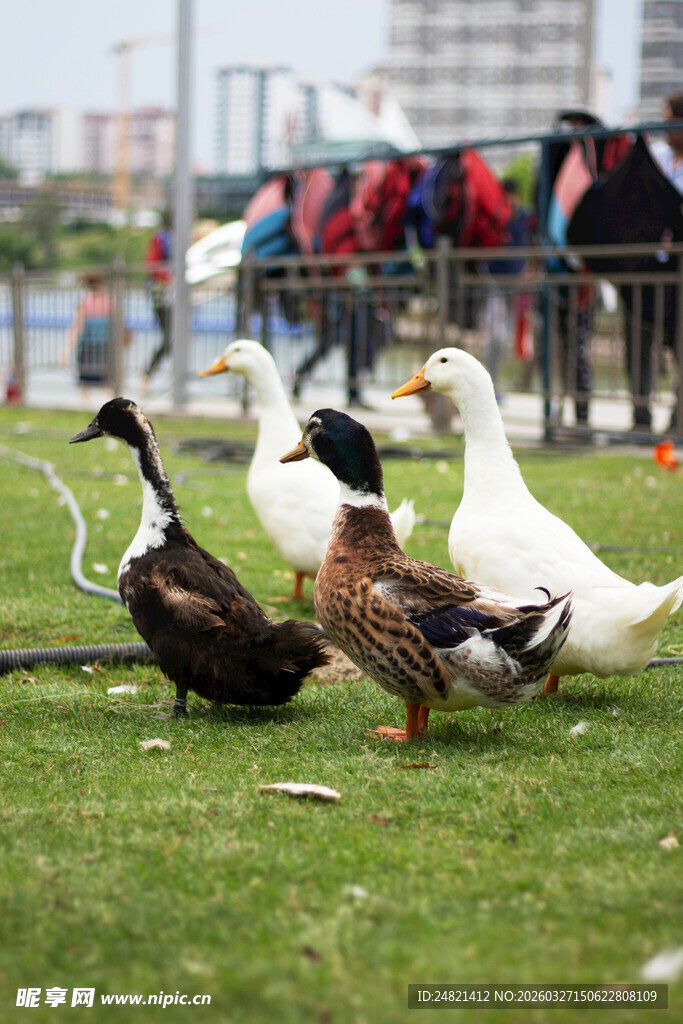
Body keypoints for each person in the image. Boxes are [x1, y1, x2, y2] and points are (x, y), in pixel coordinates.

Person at [622, 90, 683, 434]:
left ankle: (678, 420)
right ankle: (640, 418)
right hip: (648, 268)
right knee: (638, 340)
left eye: (669, 120)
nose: (664, 128)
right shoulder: (655, 158)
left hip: (679, 270)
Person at [483, 178, 534, 399]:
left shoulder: (527, 217)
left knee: (522, 340)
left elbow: (536, 245)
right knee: (496, 338)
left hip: (519, 288)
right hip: (495, 285)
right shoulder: (496, 217)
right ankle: (491, 386)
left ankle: (519, 385)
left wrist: (530, 271)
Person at [61, 272, 114, 397]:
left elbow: (76, 328)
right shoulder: (110, 302)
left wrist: (67, 349)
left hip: (87, 347)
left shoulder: (84, 303)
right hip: (105, 347)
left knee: (85, 383)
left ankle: (85, 406)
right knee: (106, 383)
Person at [144, 209, 173, 384]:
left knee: (173, 338)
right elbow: (152, 264)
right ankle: (147, 373)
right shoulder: (161, 237)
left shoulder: (176, 237)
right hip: (162, 293)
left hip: (173, 293)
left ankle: (149, 374)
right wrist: (169, 279)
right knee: (170, 336)